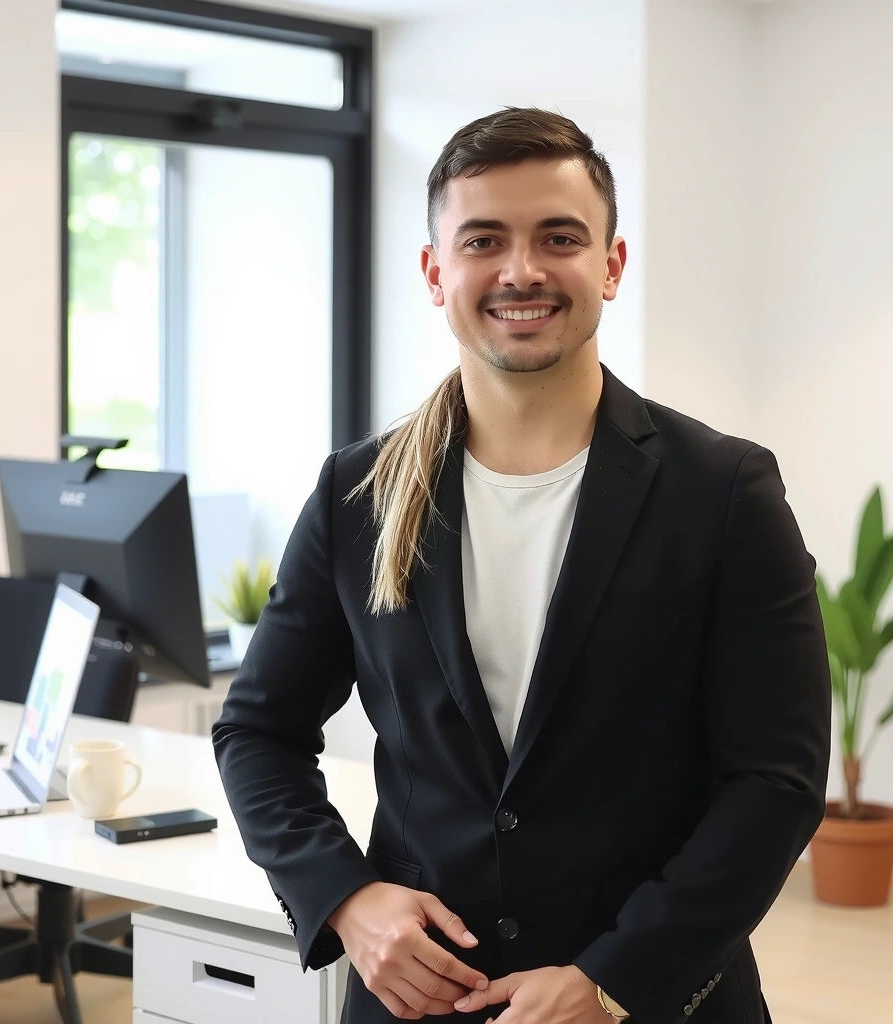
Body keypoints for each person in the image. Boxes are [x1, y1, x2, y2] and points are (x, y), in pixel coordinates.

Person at [212, 106, 831, 1024]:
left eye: (560, 237)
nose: (521, 271)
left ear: (611, 265)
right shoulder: (360, 492)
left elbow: (775, 783)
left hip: (650, 1001)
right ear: (436, 272)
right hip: (423, 999)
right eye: (484, 239)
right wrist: (348, 897)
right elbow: (259, 730)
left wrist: (616, 979)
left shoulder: (725, 491)